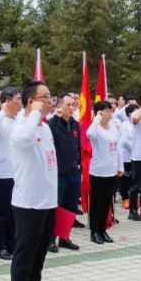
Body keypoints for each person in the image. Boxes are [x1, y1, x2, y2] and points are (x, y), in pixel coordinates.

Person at [9, 81, 60, 281]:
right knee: (25, 253)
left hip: (47, 200)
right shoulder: (21, 124)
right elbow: (22, 140)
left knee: (39, 253)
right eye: (45, 97)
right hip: (28, 202)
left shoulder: (44, 127)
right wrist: (35, 113)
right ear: (31, 101)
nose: (50, 101)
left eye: (50, 97)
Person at [0, 88, 21, 260]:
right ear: (8, 101)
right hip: (3, 173)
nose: (20, 102)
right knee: (2, 213)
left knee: (15, 212)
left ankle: (12, 244)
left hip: (19, 173)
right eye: (18, 99)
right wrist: (2, 111)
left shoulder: (19, 119)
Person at [47, 94, 82, 251]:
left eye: (73, 104)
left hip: (73, 171)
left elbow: (78, 148)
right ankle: (50, 239)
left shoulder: (75, 124)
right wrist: (56, 117)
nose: (72, 107)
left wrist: (79, 165)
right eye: (68, 104)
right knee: (57, 205)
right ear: (60, 106)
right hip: (59, 172)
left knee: (70, 206)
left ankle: (64, 237)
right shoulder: (52, 124)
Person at [86, 100, 123, 244]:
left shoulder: (113, 127)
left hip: (112, 171)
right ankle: (94, 232)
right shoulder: (96, 129)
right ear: (99, 112)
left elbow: (118, 148)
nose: (110, 113)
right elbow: (89, 133)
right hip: (98, 172)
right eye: (107, 111)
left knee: (107, 203)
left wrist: (120, 167)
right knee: (96, 203)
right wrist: (97, 118)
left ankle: (103, 230)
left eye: (110, 111)